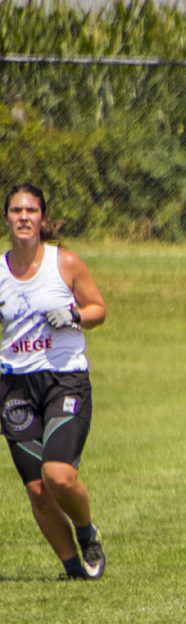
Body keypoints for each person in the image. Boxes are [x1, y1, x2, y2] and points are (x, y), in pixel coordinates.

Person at [1, 184, 107, 580]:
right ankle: (74, 573)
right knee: (38, 491)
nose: (24, 217)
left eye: (31, 210)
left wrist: (76, 316)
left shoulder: (64, 263)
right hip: (15, 386)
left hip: (65, 379)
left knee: (58, 474)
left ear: (43, 219)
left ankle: (87, 533)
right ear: (7, 217)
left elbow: (98, 308)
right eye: (16, 210)